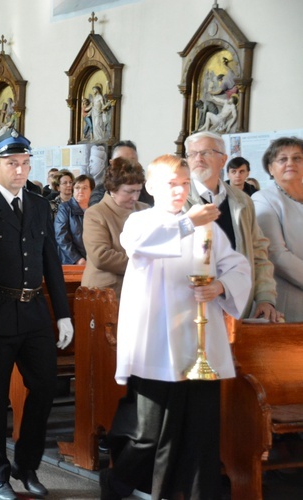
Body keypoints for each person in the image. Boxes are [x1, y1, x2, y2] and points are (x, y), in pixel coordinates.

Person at [100, 154, 251, 500]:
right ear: (151, 188)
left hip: (199, 343)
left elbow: (237, 266)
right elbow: (140, 246)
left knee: (200, 431)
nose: (180, 191)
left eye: (184, 184)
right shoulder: (140, 222)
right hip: (156, 343)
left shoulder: (207, 226)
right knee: (150, 434)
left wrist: (222, 286)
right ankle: (119, 482)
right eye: (171, 184)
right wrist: (188, 223)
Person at [0, 128, 73, 500]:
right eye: (12, 163)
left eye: (25, 163)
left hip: (34, 314)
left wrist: (63, 313)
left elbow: (51, 263)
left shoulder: (40, 204)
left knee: (44, 389)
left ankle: (26, 466)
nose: (21, 170)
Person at [184, 131, 283, 322]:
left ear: (223, 160)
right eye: (192, 154)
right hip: (193, 303)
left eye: (205, 152)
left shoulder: (242, 201)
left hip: (236, 303)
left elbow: (258, 253)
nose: (198, 158)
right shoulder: (179, 200)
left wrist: (265, 298)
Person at [252, 137, 303, 322]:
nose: (290, 163)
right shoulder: (263, 199)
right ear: (271, 168)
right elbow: (276, 254)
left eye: (297, 158)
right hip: (288, 300)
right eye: (282, 159)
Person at [81, 158, 149, 298]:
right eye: (129, 191)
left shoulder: (145, 210)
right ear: (112, 189)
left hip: (141, 289)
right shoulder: (96, 213)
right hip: (106, 292)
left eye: (138, 191)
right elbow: (101, 256)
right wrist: (145, 263)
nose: (135, 197)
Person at [90, 141, 154, 206]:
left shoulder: (146, 192)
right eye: (121, 161)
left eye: (131, 161)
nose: (127, 166)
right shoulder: (99, 193)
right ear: (112, 163)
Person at [55, 174, 93, 265]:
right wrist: (77, 259)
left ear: (91, 190)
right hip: (71, 262)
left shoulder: (95, 209)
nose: (80, 191)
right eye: (77, 188)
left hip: (92, 261)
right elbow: (61, 236)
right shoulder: (65, 208)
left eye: (85, 188)